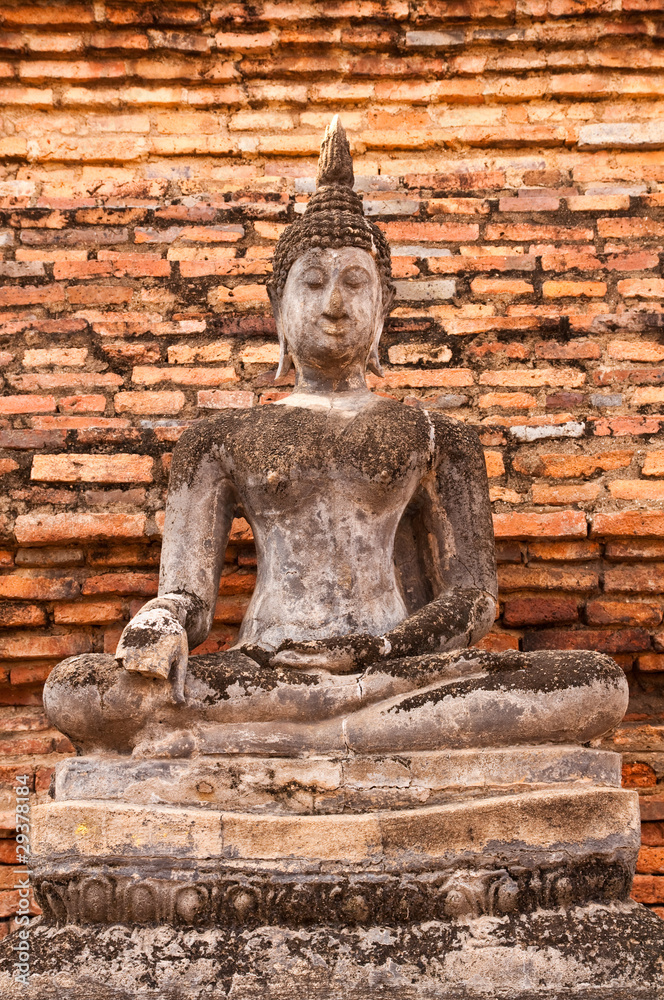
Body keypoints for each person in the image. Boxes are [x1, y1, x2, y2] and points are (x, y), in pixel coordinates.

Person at [43, 119, 627, 757]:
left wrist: (373, 652)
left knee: (592, 683)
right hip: (266, 666)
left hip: (394, 669)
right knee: (77, 687)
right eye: (313, 283)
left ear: (382, 311)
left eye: (356, 283)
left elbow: (471, 599)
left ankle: (281, 737)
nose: (335, 304)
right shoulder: (220, 438)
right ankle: (336, 733)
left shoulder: (435, 435)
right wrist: (159, 624)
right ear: (278, 310)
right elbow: (188, 595)